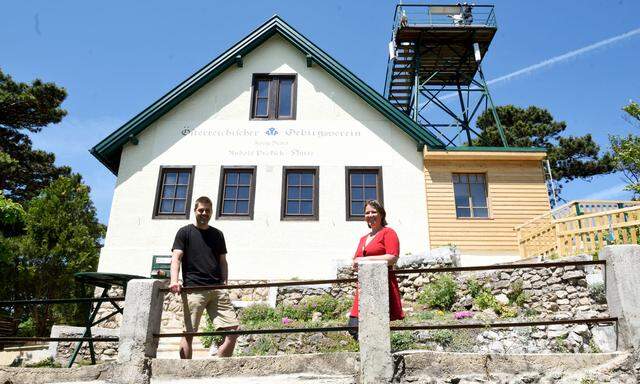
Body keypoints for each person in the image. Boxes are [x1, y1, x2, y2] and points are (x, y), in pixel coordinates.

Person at [169, 196, 239, 359]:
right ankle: (186, 372)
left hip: (217, 289)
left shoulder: (218, 234)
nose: (204, 213)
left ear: (211, 212)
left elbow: (223, 261)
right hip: (194, 289)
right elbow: (176, 258)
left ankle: (218, 366)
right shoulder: (184, 232)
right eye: (201, 210)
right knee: (188, 334)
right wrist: (174, 280)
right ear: (195, 211)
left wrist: (225, 283)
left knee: (234, 330)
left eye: (207, 210)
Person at [348, 200, 404, 339]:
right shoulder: (363, 238)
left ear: (381, 215)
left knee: (376, 325)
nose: (370, 215)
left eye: (374, 212)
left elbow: (392, 257)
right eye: (367, 212)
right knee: (354, 326)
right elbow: (356, 260)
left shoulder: (388, 232)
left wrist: (364, 260)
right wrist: (356, 263)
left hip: (381, 284)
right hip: (364, 285)